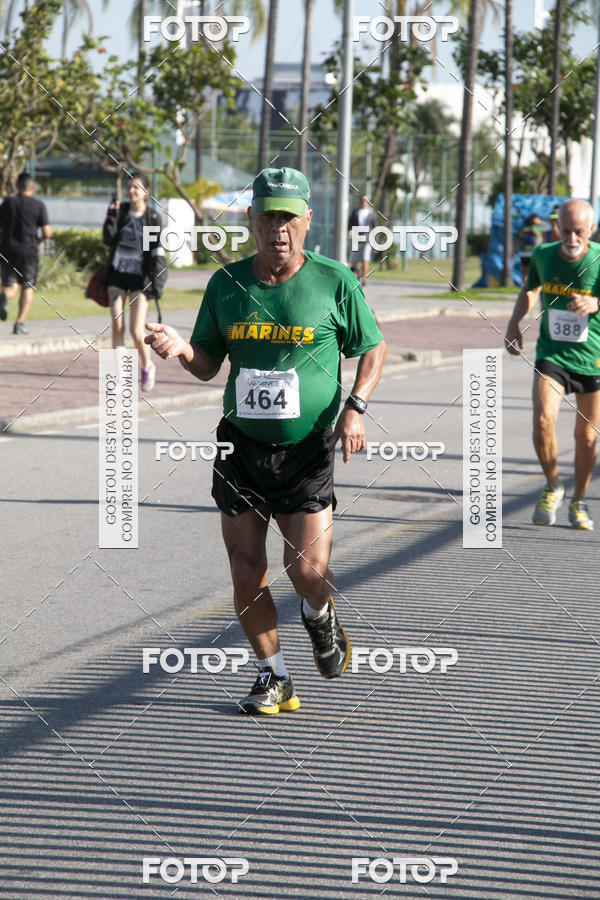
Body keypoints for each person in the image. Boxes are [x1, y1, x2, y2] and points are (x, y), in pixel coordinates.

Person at [145, 167, 386, 714]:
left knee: (306, 572)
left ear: (306, 221)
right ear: (251, 220)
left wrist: (356, 407)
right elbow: (207, 365)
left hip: (307, 451)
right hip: (240, 446)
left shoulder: (334, 281)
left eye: (288, 217)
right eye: (268, 216)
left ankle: (318, 612)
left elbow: (372, 348)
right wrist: (181, 348)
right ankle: (271, 675)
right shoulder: (226, 284)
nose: (278, 227)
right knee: (244, 567)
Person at [505, 198, 600, 531]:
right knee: (543, 419)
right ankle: (554, 485)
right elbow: (530, 288)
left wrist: (595, 301)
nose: (571, 239)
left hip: (594, 360)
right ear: (557, 226)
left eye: (579, 232)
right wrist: (515, 322)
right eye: (565, 230)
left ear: (591, 230)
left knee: (586, 438)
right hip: (553, 355)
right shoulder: (544, 255)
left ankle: (579, 500)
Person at [102, 172, 167, 392]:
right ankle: (119, 378)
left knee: (136, 331)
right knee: (117, 326)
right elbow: (108, 239)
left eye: (136, 188)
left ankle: (147, 365)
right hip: (118, 275)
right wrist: (110, 217)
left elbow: (156, 253)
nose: (132, 191)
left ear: (146, 193)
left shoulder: (152, 218)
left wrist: (157, 284)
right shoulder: (120, 212)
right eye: (129, 187)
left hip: (141, 278)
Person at [0, 172, 52, 334]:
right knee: (28, 287)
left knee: (10, 286)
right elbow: (47, 232)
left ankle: (4, 297)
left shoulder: (7, 203)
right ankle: (20, 323)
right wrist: (39, 241)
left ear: (17, 185)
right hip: (29, 252)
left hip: (7, 250)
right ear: (32, 187)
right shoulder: (38, 205)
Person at [348, 194, 378, 287]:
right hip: (356, 238)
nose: (364, 202)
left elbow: (375, 228)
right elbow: (350, 224)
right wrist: (350, 232)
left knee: (365, 259)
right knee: (355, 261)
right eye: (362, 200)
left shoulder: (372, 213)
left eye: (366, 200)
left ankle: (364, 279)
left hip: (367, 239)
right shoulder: (355, 212)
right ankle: (355, 278)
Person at [515, 213, 546, 283]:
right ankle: (525, 285)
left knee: (536, 270)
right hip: (524, 253)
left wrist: (540, 222)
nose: (537, 220)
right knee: (525, 270)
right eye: (536, 218)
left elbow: (547, 226)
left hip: (535, 253)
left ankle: (534, 285)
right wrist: (512, 251)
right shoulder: (523, 228)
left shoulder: (540, 228)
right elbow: (517, 240)